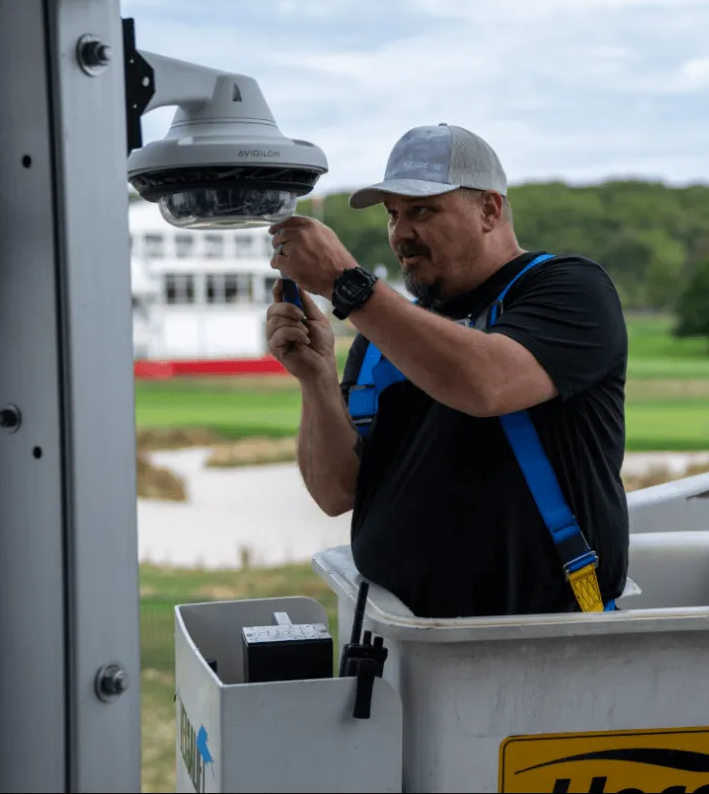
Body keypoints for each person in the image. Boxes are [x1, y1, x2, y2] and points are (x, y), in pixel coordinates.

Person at [266, 123, 629, 618]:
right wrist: (316, 378)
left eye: (422, 210)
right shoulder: (384, 332)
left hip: (546, 635)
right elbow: (336, 492)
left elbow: (486, 384)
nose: (400, 234)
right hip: (400, 637)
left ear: (490, 210)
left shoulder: (570, 289)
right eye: (393, 214)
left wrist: (346, 284)